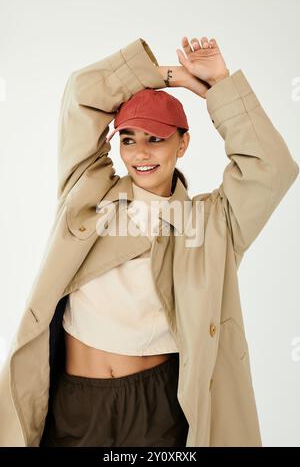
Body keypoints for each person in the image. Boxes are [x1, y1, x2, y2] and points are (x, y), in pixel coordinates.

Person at [0, 36, 298, 447]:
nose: (140, 152)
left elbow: (271, 168)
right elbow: (81, 93)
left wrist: (220, 87)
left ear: (183, 142)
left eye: (155, 138)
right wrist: (173, 78)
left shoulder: (212, 222)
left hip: (158, 406)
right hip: (77, 402)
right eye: (128, 139)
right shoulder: (88, 192)